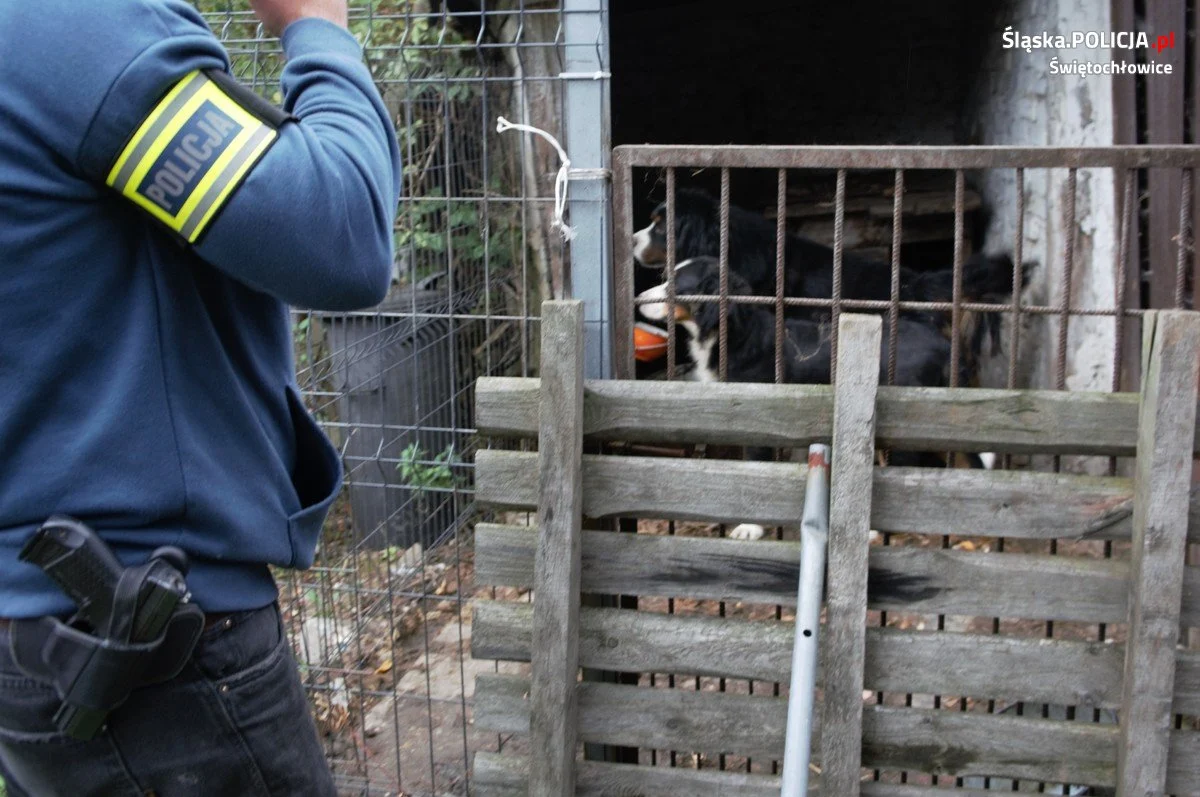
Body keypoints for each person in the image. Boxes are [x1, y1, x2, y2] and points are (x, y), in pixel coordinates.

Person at [0, 0, 401, 793]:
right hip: (148, 660)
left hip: (40, 640)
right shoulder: (75, 29)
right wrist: (317, 27)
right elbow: (344, 234)